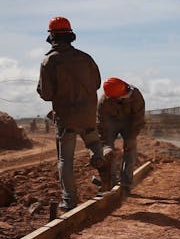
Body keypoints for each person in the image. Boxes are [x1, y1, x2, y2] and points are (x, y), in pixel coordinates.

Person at [37, 16, 114, 211]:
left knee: (65, 160)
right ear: (71, 35)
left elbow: (46, 95)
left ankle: (69, 200)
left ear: (52, 36)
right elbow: (97, 83)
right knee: (94, 143)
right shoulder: (86, 58)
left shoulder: (49, 61)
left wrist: (42, 89)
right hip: (88, 114)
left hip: (66, 119)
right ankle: (102, 159)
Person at [97, 77, 145, 195]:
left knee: (130, 149)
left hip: (130, 123)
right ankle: (111, 182)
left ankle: (126, 183)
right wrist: (106, 144)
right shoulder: (104, 101)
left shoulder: (136, 95)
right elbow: (101, 123)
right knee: (108, 153)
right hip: (110, 123)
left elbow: (138, 118)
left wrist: (131, 137)